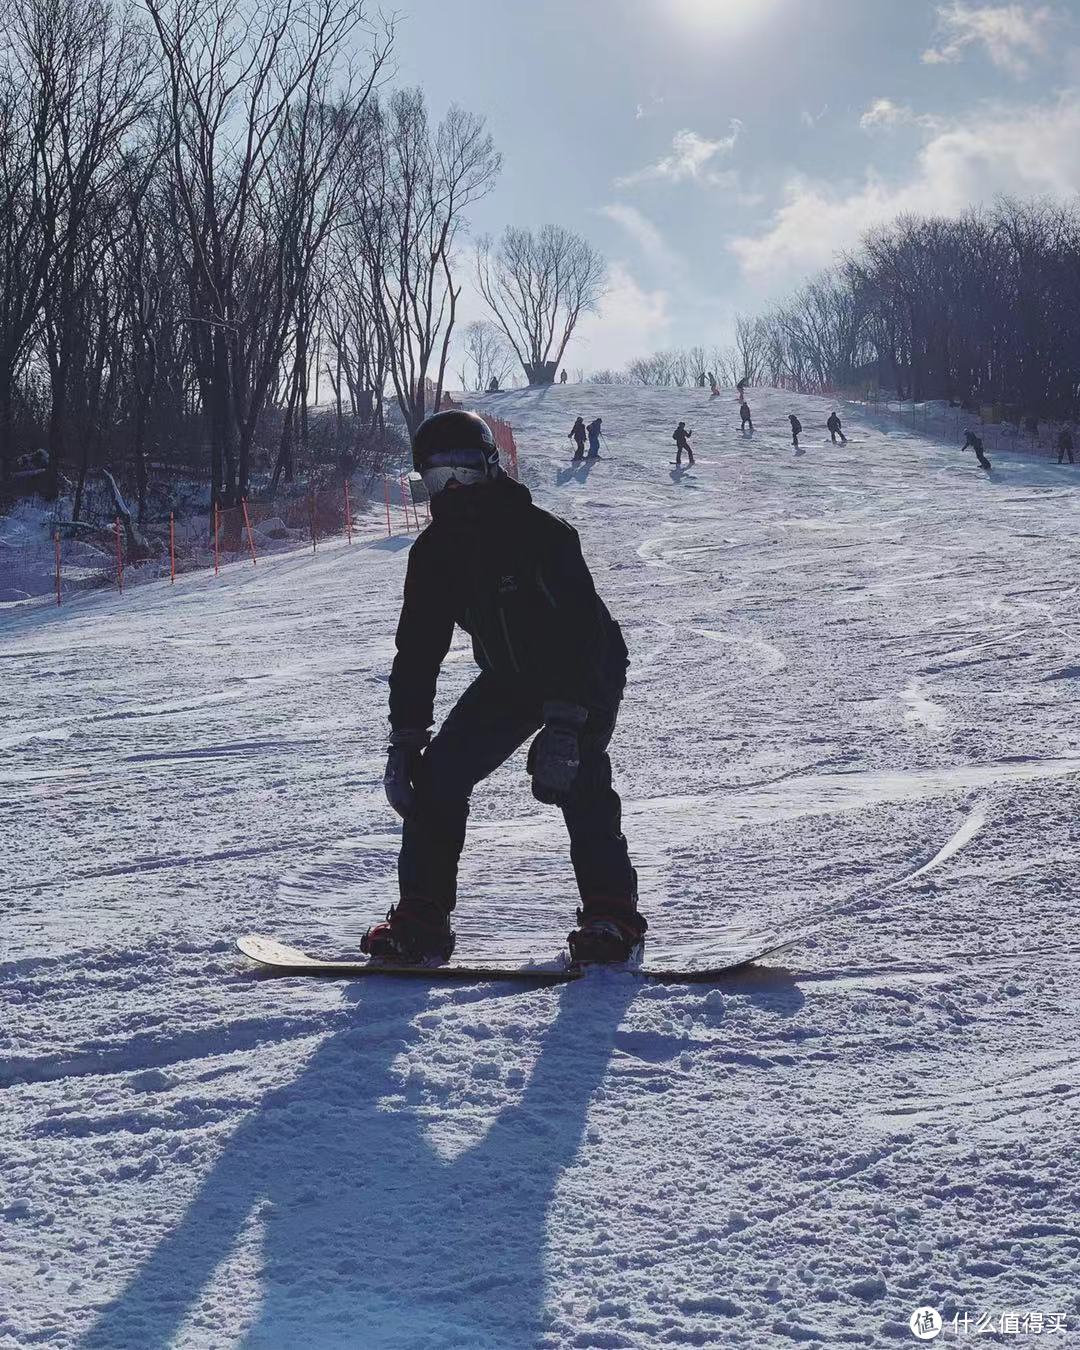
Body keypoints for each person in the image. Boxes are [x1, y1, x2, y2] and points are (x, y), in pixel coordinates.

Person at [365, 409, 646, 967]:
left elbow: (580, 634)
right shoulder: (435, 554)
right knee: (440, 774)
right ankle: (422, 918)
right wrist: (405, 739)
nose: (451, 490)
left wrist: (567, 724)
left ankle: (611, 914)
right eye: (436, 478)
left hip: (586, 670)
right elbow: (418, 651)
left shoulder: (543, 537)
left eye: (463, 473)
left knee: (574, 771)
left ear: (490, 467)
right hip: (510, 678)